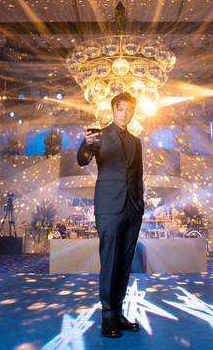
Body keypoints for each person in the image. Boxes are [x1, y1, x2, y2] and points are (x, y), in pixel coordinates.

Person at [77, 92, 144, 338]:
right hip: (108, 206)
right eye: (121, 109)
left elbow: (138, 176)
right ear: (113, 110)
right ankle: (107, 317)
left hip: (132, 208)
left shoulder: (136, 142)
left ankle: (118, 312)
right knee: (110, 261)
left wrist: (140, 204)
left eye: (129, 110)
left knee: (125, 263)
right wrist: (87, 145)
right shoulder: (99, 136)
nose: (125, 114)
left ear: (133, 112)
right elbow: (82, 160)